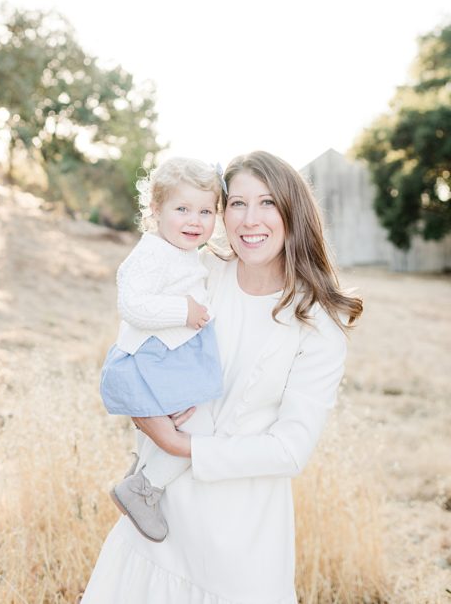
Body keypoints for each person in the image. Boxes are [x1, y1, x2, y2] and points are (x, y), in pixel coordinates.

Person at [81, 151, 363, 604]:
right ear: (222, 213)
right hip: (158, 519)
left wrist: (179, 445)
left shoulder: (317, 320)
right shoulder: (201, 273)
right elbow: (136, 339)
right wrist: (145, 412)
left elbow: (290, 450)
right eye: (237, 204)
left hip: (239, 540)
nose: (251, 219)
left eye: (267, 203)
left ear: (294, 211)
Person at [98, 157, 224, 542]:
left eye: (205, 211)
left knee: (180, 421)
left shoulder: (184, 253)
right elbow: (132, 304)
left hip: (167, 358)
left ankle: (140, 470)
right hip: (150, 358)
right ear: (156, 210)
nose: (194, 220)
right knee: (196, 427)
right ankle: (144, 488)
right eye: (182, 209)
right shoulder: (150, 253)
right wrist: (182, 310)